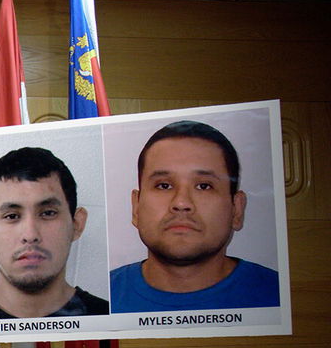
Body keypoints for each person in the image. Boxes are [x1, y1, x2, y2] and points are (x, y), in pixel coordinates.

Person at [110, 120, 280, 312]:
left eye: (204, 186)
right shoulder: (99, 301)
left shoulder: (282, 297)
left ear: (237, 209)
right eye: (164, 185)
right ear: (136, 207)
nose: (181, 203)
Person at [0, 147, 108, 320]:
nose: (30, 235)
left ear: (77, 224)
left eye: (48, 213)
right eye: (12, 216)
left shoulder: (108, 317)